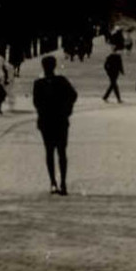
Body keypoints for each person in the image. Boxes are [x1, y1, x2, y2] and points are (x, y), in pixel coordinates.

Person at [32, 54, 78, 195]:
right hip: (60, 120)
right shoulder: (61, 81)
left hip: (47, 121)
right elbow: (73, 95)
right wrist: (67, 109)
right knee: (61, 152)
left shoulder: (39, 83)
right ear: (54, 66)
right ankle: (62, 182)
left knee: (50, 151)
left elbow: (36, 102)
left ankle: (53, 182)